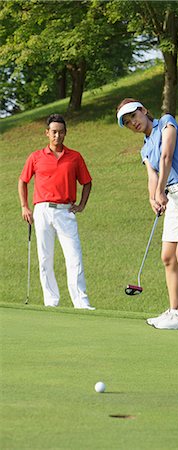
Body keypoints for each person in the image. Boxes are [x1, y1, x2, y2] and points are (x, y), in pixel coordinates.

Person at [116, 99, 178, 329]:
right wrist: (153, 198)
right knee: (168, 256)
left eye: (134, 116)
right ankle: (173, 312)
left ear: (144, 111)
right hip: (173, 198)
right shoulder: (145, 147)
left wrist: (160, 191)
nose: (133, 123)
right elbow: (152, 174)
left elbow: (167, 157)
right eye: (128, 123)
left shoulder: (167, 122)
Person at [18, 113, 95, 310]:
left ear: (65, 133)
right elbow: (23, 181)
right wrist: (24, 206)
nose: (57, 136)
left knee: (74, 256)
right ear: (47, 133)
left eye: (61, 132)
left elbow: (87, 182)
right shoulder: (35, 157)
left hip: (65, 211)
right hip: (42, 210)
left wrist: (82, 205)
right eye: (54, 132)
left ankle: (81, 302)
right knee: (45, 258)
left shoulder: (75, 157)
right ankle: (51, 302)